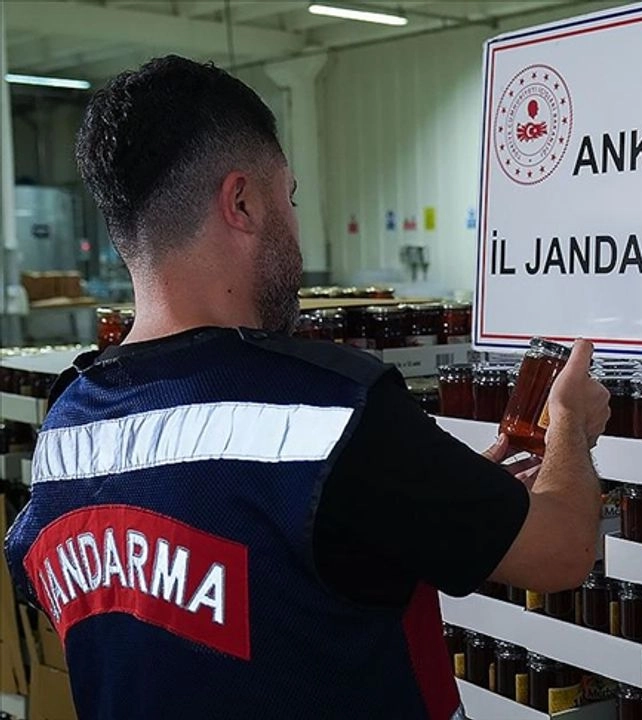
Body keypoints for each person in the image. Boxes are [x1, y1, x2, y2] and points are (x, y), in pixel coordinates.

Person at [3, 55, 610, 720]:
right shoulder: (328, 411)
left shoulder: (68, 428)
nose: (294, 225)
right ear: (241, 202)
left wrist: (422, 494)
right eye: (288, 198)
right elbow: (561, 551)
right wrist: (569, 424)